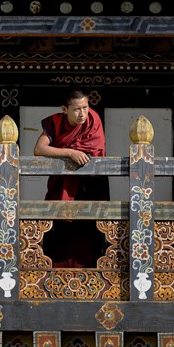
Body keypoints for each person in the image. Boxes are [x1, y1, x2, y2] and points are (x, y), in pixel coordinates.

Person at [33, 87, 109, 268]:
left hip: (90, 185)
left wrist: (75, 154)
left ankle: (91, 273)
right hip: (63, 186)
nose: (82, 113)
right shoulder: (56, 122)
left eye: (85, 107)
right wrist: (69, 152)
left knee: (89, 228)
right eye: (77, 109)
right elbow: (39, 149)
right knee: (61, 227)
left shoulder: (93, 120)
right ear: (64, 109)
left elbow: (95, 150)